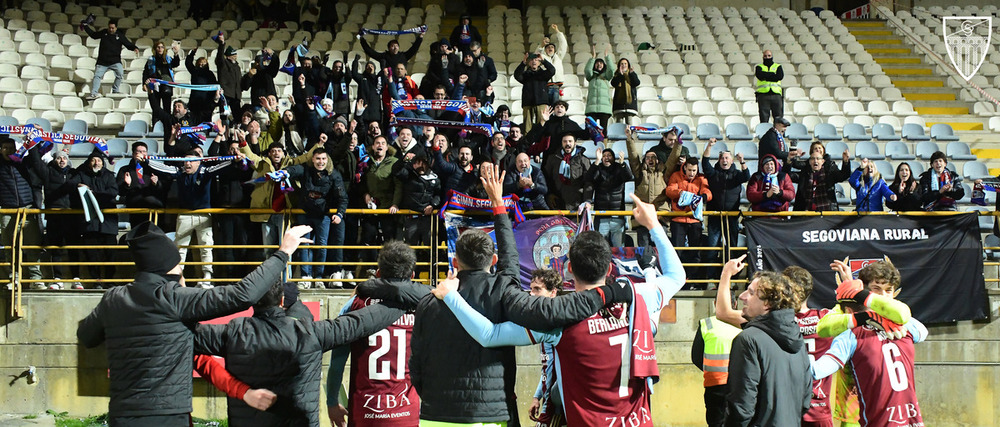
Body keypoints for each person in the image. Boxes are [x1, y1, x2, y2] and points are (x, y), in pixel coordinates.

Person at [426, 189, 686, 426]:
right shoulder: (639, 296)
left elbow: (489, 335)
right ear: (609, 268)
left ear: (569, 270)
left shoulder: (558, 317)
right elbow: (676, 277)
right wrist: (653, 225)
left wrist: (451, 296)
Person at [410, 163, 635, 426]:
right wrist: (498, 205)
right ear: (493, 260)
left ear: (455, 263)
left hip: (434, 416)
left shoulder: (429, 301)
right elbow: (511, 262)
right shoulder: (503, 289)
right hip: (489, 415)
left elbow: (416, 365)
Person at [77, 223, 312, 426]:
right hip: (168, 416)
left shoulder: (112, 299)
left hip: (122, 414)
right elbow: (243, 295)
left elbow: (87, 335)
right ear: (168, 267)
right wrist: (283, 253)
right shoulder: (175, 299)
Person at [192, 252, 419, 426]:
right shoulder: (311, 333)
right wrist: (405, 295)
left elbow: (184, 332)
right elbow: (360, 323)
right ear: (283, 301)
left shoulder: (231, 334)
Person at [812, 261, 929, 427]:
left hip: (893, 413)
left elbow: (919, 329)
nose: (883, 296)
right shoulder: (852, 326)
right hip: (852, 405)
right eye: (876, 289)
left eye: (888, 290)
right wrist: (862, 310)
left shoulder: (903, 323)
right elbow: (824, 327)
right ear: (865, 290)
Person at [326, 241, 429, 427]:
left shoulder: (355, 304)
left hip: (365, 413)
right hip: (406, 413)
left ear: (378, 273)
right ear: (413, 275)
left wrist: (332, 402)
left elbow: (337, 363)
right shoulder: (425, 308)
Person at [726, 270, 812, 427]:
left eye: (751, 293)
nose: (742, 296)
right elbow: (805, 402)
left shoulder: (748, 339)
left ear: (767, 303)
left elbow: (741, 407)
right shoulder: (796, 337)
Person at [148, 150, 236, 288]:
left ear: (199, 162)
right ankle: (177, 278)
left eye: (191, 161)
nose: (187, 163)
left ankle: (207, 277)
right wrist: (147, 161)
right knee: (180, 248)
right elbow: (164, 169)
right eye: (185, 160)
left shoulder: (205, 172)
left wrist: (234, 160)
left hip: (204, 214)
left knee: (206, 246)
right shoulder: (179, 172)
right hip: (184, 215)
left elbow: (221, 167)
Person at [283, 148, 348, 289]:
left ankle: (318, 277)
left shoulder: (333, 174)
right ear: (313, 159)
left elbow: (343, 197)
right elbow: (294, 170)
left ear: (327, 159)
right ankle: (305, 276)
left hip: (323, 215)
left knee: (322, 244)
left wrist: (339, 213)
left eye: (323, 159)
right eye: (318, 159)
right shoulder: (306, 169)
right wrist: (285, 172)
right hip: (305, 213)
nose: (321, 162)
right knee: (304, 244)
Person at [71, 148, 120, 286]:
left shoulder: (109, 175)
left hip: (108, 223)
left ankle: (109, 281)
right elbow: (70, 184)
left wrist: (94, 193)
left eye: (98, 160)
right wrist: (78, 185)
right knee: (92, 254)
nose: (96, 163)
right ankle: (96, 281)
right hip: (90, 223)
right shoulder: (81, 174)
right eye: (93, 160)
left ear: (103, 163)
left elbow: (112, 192)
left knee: (110, 254)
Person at [702, 140, 749, 277]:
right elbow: (705, 164)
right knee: (712, 248)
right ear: (719, 160)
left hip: (732, 217)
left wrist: (742, 161)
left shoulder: (736, 174)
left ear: (731, 160)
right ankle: (710, 280)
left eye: (727, 158)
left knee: (732, 249)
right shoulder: (714, 173)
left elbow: (746, 176)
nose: (724, 160)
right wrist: (709, 146)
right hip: (715, 217)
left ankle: (731, 279)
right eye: (722, 158)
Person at [0, 136, 43, 288]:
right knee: (9, 245)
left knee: (32, 244)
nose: (8, 151)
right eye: (5, 148)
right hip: (7, 210)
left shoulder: (24, 164)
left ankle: (35, 279)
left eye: (11, 148)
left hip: (28, 208)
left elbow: (37, 156)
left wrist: (33, 139)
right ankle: (14, 277)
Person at [523, 269, 564, 426]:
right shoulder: (543, 322)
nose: (532, 294)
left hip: (559, 408)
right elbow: (548, 367)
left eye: (537, 289)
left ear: (553, 292)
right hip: (553, 404)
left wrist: (550, 406)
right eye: (531, 289)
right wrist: (536, 396)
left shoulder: (557, 322)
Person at [665, 157, 712, 283]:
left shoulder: (701, 178)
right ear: (685, 167)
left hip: (694, 220)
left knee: (695, 252)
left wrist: (703, 196)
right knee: (677, 251)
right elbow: (669, 190)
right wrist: (681, 193)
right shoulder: (675, 176)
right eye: (690, 170)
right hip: (678, 219)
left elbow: (708, 192)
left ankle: (693, 279)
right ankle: (677, 279)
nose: (692, 173)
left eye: (694, 170)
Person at [691, 315, 742, 427]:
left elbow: (696, 357)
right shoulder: (744, 321)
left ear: (715, 303)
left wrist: (712, 369)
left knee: (716, 422)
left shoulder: (707, 323)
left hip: (714, 384)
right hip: (739, 384)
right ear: (735, 304)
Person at [584, 148, 634, 247]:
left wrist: (623, 164)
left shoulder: (619, 168)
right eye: (604, 156)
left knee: (619, 248)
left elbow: (629, 177)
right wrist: (597, 162)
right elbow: (588, 178)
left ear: (613, 157)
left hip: (617, 215)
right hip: (601, 216)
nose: (606, 158)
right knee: (600, 247)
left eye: (609, 155)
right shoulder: (598, 168)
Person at [82, 18, 139, 99]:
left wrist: (134, 48)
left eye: (112, 28)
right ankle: (94, 93)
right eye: (109, 28)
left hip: (115, 61)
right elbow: (93, 35)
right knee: (97, 76)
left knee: (120, 74)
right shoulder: (104, 32)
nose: (111, 29)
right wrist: (85, 26)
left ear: (116, 28)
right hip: (102, 61)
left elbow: (127, 43)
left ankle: (115, 90)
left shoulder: (120, 35)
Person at [394, 155, 441, 247]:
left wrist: (433, 205)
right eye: (417, 162)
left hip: (428, 217)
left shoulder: (435, 178)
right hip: (411, 217)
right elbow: (396, 170)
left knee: (430, 246)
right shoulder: (408, 174)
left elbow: (438, 195)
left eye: (423, 163)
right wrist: (404, 159)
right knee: (410, 247)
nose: (420, 165)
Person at [118, 141, 167, 228]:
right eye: (139, 151)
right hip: (135, 207)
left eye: (144, 151)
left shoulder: (153, 169)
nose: (142, 154)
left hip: (152, 207)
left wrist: (155, 183)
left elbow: (162, 188)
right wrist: (127, 185)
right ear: (133, 154)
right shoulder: (125, 170)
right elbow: (120, 191)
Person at [544, 133, 591, 210]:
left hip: (577, 204)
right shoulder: (553, 159)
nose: (567, 144)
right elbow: (547, 179)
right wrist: (549, 194)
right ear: (561, 143)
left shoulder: (583, 160)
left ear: (575, 143)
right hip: (557, 203)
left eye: (570, 141)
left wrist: (587, 201)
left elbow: (588, 182)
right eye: (565, 141)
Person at [513, 53, 556, 132]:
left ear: (539, 62)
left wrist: (544, 61)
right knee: (527, 126)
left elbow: (552, 70)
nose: (534, 61)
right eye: (532, 60)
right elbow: (517, 75)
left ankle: (541, 142)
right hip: (527, 102)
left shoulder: (543, 74)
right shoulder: (525, 75)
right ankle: (527, 143)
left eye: (536, 60)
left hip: (542, 102)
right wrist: (523, 63)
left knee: (542, 124)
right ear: (528, 62)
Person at [143, 41, 182, 124]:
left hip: (166, 85)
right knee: (155, 107)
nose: (160, 49)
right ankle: (155, 126)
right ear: (155, 48)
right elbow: (146, 72)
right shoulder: (151, 59)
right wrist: (144, 83)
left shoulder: (167, 58)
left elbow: (176, 63)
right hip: (154, 85)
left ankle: (167, 126)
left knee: (167, 108)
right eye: (158, 47)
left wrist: (176, 53)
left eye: (162, 47)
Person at [359, 32, 424, 73]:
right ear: (389, 48)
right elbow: (370, 52)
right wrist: (362, 39)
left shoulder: (403, 56)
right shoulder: (384, 56)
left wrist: (420, 37)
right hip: (388, 82)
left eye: (396, 46)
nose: (395, 47)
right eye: (392, 46)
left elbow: (414, 49)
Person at [536, 24, 567, 106]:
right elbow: (536, 54)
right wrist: (542, 45)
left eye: (552, 47)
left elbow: (563, 44)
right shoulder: (542, 57)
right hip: (545, 87)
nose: (550, 49)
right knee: (546, 109)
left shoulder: (559, 57)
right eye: (548, 47)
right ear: (545, 50)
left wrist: (557, 31)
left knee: (555, 108)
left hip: (556, 87)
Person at [585, 46, 615, 130]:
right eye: (597, 63)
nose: (599, 64)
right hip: (592, 108)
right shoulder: (591, 77)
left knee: (604, 131)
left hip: (604, 109)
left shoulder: (606, 76)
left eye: (601, 63)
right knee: (591, 131)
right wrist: (592, 58)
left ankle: (604, 143)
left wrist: (607, 57)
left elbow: (612, 70)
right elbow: (587, 70)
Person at [214, 33, 243, 115]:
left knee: (237, 116)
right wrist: (221, 44)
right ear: (228, 56)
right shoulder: (223, 64)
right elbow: (220, 56)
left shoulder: (237, 66)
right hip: (226, 94)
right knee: (224, 116)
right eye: (233, 55)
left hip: (236, 95)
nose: (235, 56)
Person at [755, 49, 784, 123]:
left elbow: (779, 76)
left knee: (778, 118)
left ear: (772, 56)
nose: (767, 57)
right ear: (762, 57)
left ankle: (778, 134)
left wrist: (766, 76)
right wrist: (773, 75)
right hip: (763, 95)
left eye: (769, 56)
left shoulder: (778, 66)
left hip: (776, 95)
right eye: (765, 56)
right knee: (764, 118)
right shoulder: (759, 67)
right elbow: (760, 76)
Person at [610, 58, 640, 125]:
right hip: (619, 104)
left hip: (629, 104)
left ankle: (629, 136)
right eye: (622, 64)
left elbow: (636, 83)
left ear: (628, 65)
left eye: (625, 63)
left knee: (629, 125)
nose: (623, 65)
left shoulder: (631, 74)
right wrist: (620, 75)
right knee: (618, 125)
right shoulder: (617, 75)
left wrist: (632, 73)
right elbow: (613, 83)